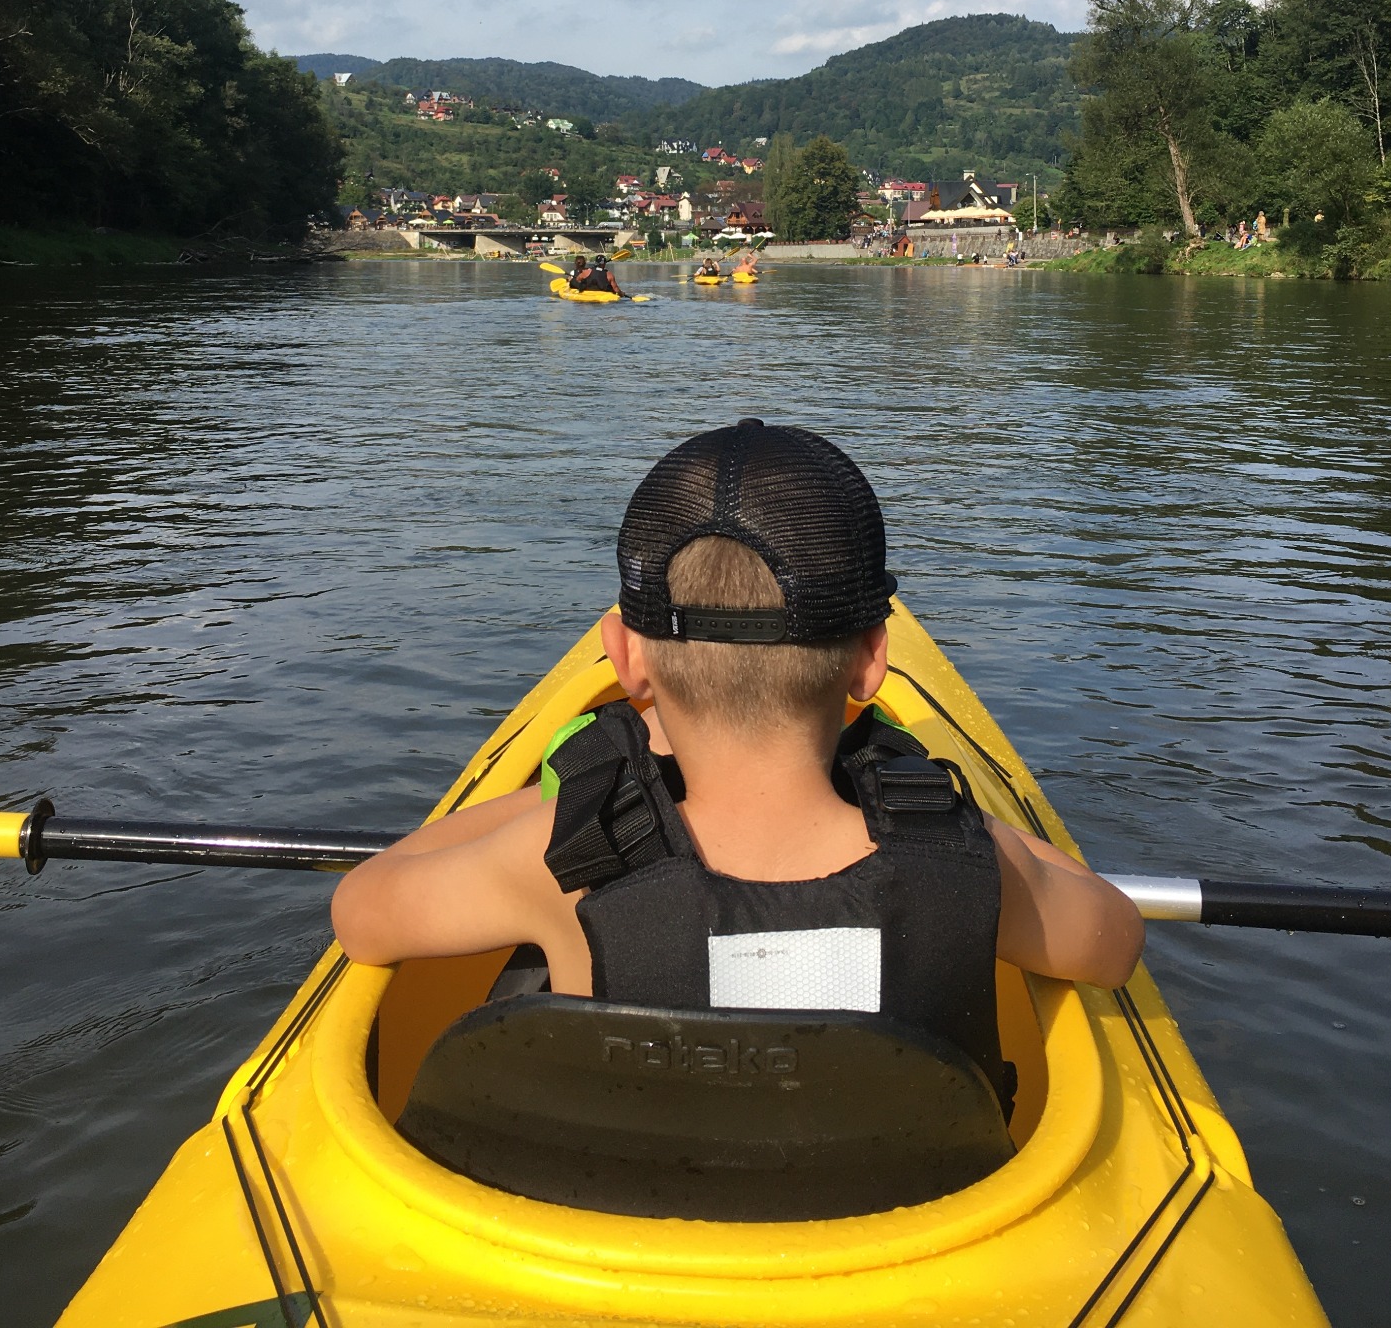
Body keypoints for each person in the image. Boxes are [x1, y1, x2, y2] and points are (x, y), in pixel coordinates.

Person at [332, 422, 1145, 1088]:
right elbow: (1116, 938)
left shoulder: (553, 863)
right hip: (911, 1255)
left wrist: (571, 804)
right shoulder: (975, 867)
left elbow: (361, 912)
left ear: (627, 661)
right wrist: (962, 819)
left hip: (635, 1248)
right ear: (871, 660)